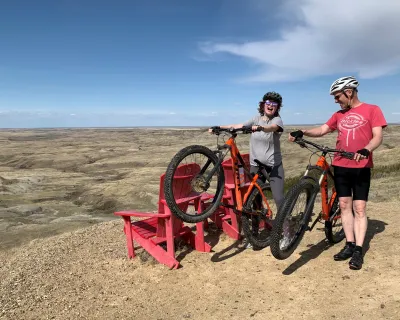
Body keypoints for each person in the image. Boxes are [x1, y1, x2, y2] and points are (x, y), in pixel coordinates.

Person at [288, 76, 387, 270]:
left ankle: (359, 250)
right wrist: (303, 132)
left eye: (337, 96)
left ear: (348, 92)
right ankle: (349, 244)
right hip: (341, 165)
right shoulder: (338, 114)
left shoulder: (372, 109)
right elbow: (324, 129)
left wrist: (366, 149)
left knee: (359, 208)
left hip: (361, 166)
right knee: (343, 205)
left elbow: (378, 136)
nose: (336, 100)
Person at [209, 91, 285, 211]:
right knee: (255, 199)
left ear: (277, 107)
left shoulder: (277, 120)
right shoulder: (256, 118)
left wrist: (261, 128)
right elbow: (239, 125)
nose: (271, 105)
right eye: (268, 102)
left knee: (278, 198)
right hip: (256, 166)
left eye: (274, 104)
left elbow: (272, 128)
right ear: (263, 104)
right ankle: (255, 228)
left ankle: (287, 228)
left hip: (273, 167)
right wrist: (219, 127)